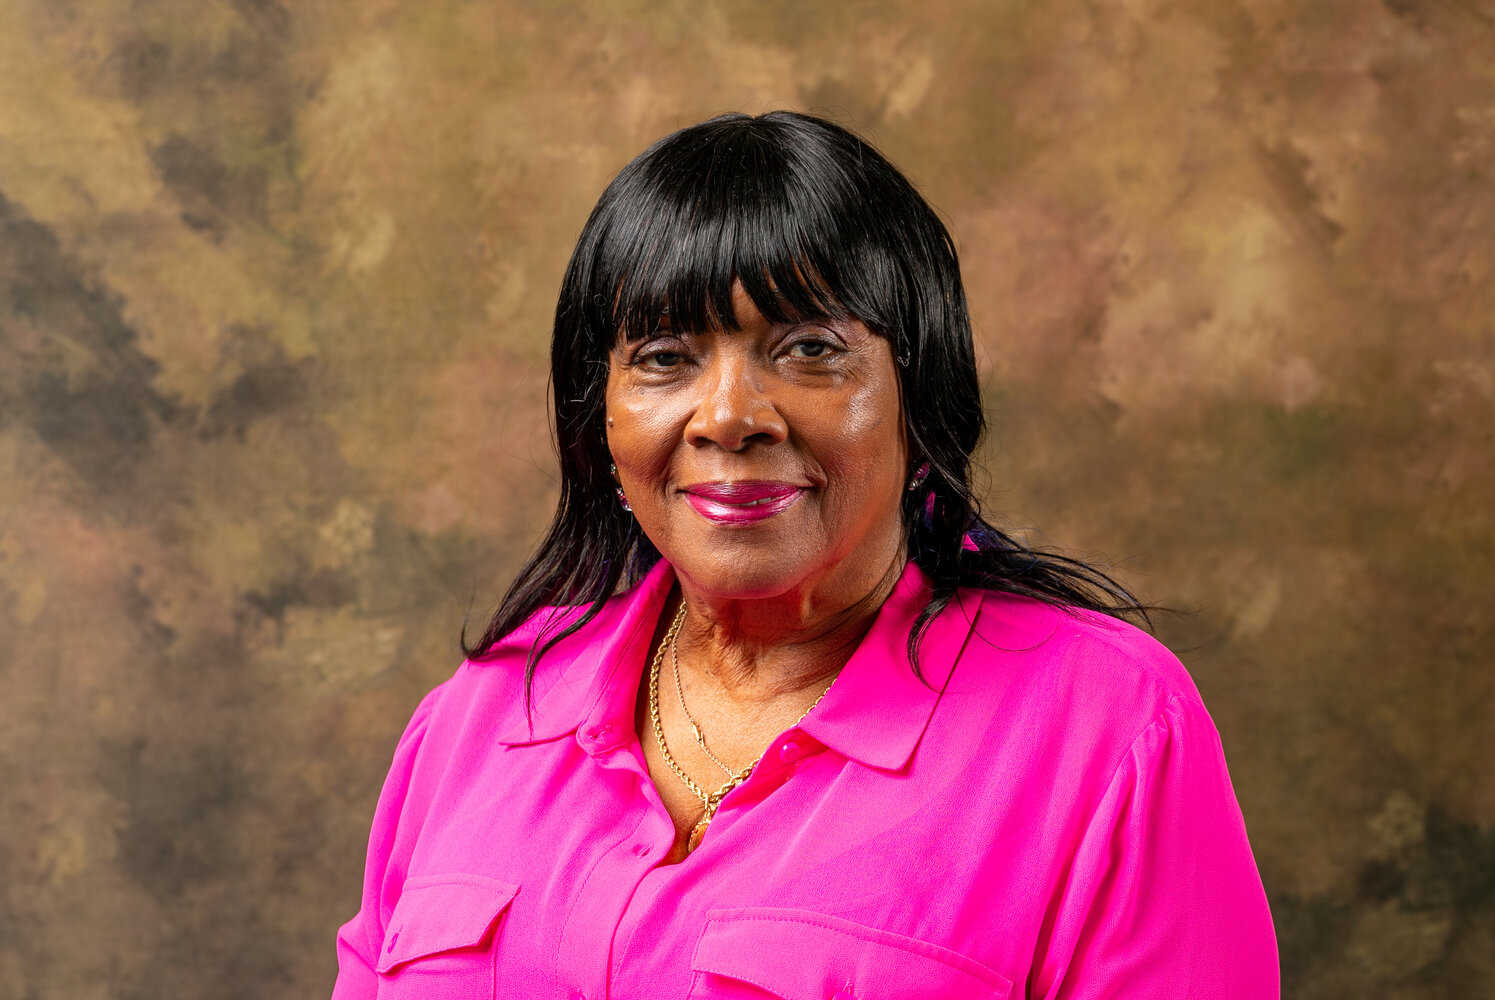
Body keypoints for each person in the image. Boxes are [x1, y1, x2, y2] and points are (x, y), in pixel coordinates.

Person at [331, 111, 1279, 999]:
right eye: (663, 356)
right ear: (601, 420)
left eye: (809, 348)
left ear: (922, 398)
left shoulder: (1107, 728)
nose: (729, 417)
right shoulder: (480, 715)